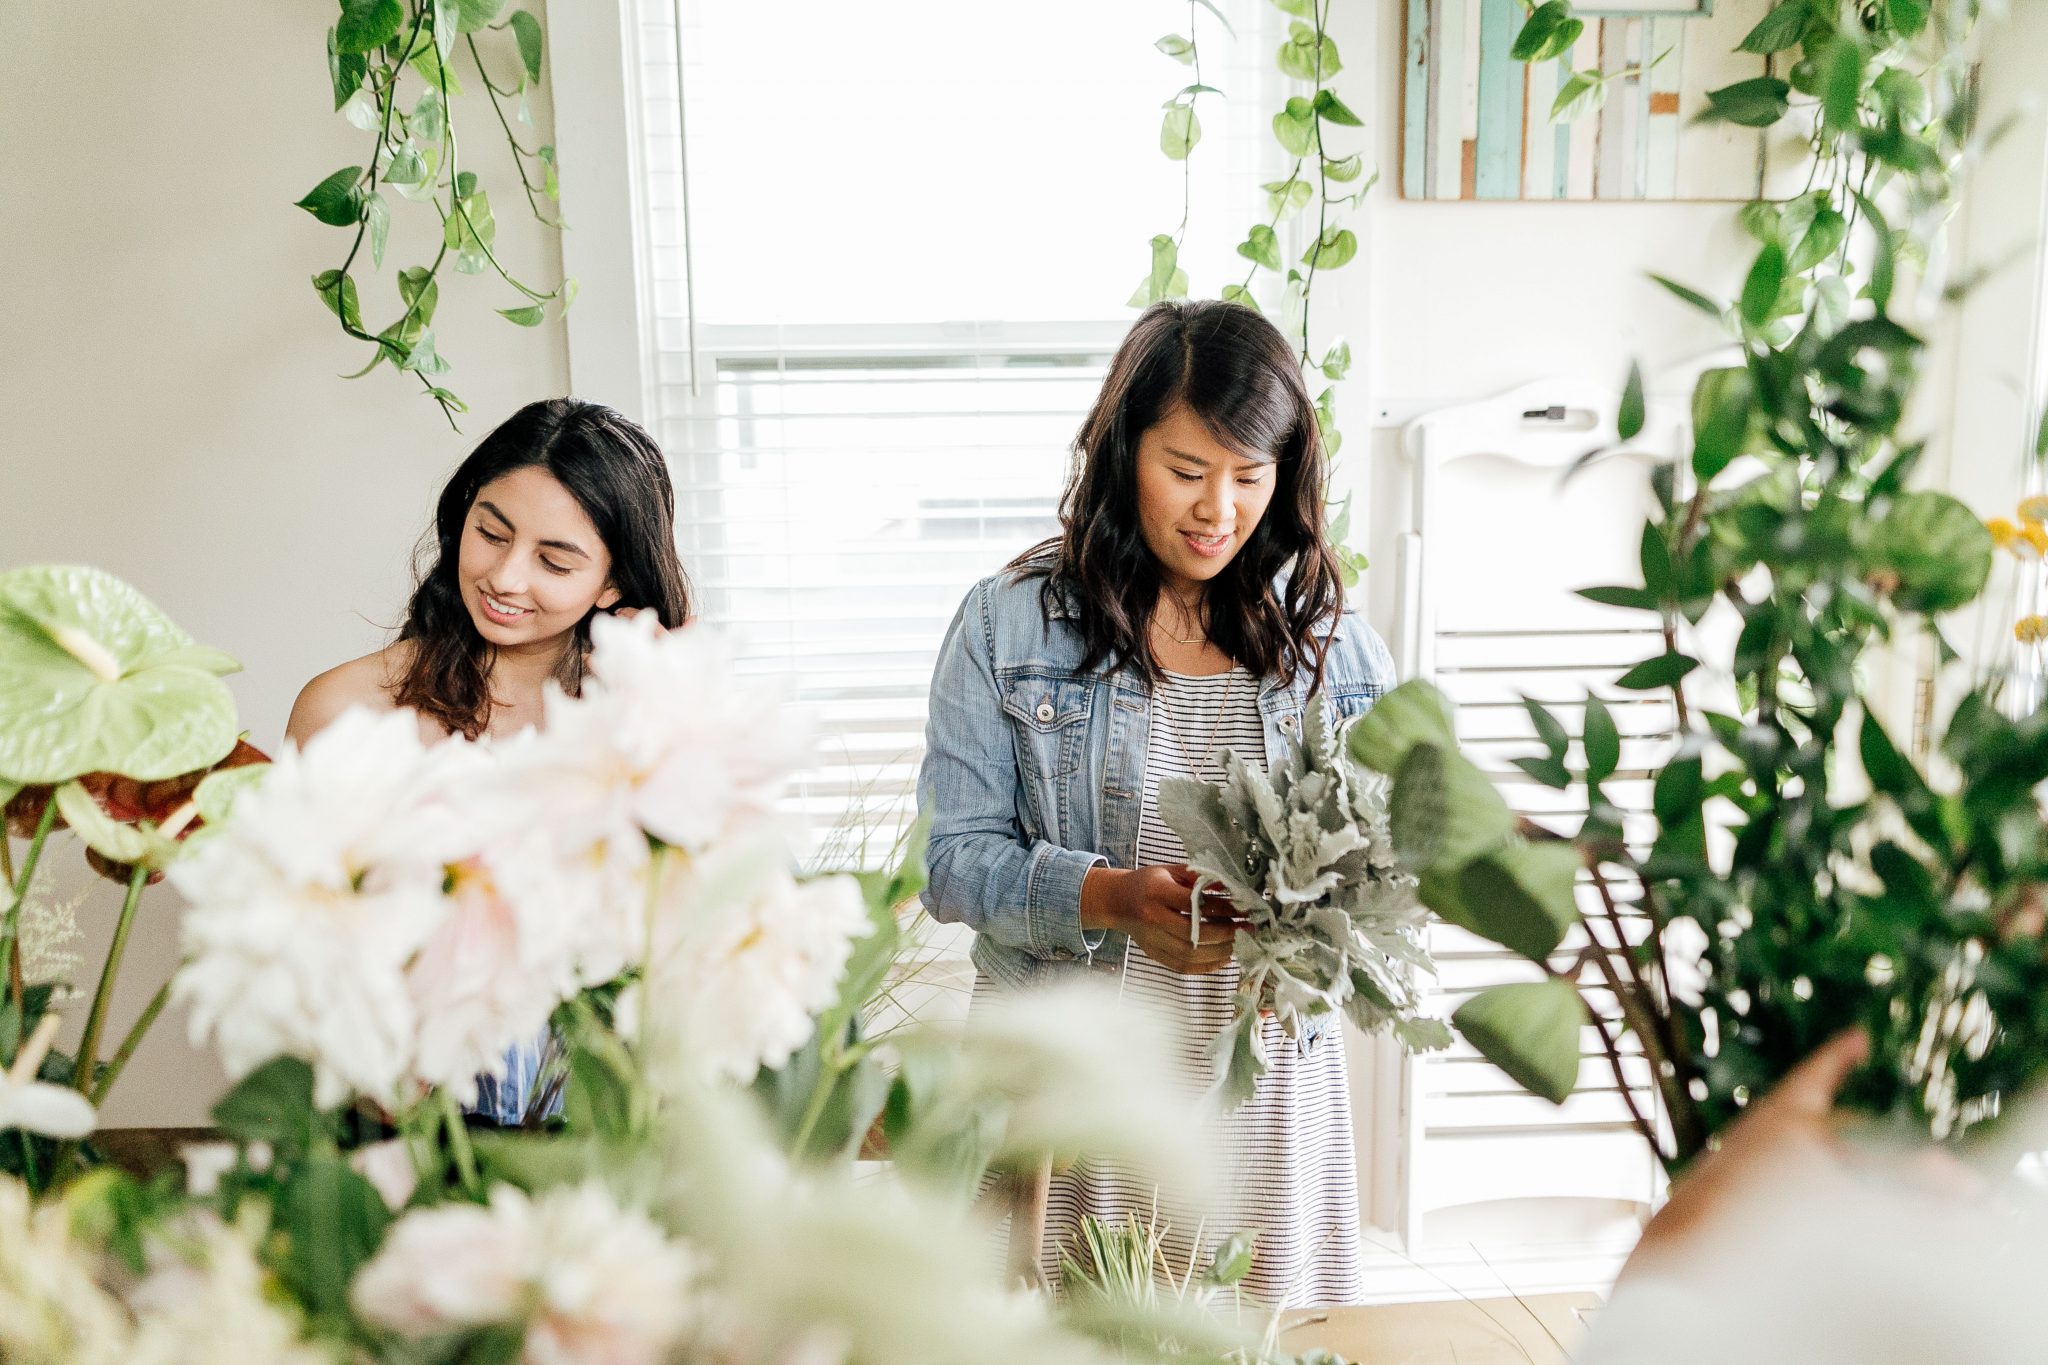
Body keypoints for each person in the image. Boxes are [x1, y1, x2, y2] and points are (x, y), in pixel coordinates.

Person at [917, 299, 1395, 1306]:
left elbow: (1392, 868)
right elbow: (952, 860)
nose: (1216, 508)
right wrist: (1112, 898)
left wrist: (1331, 918)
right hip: (1069, 1090)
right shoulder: (1007, 628)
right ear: (1121, 451)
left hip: (1261, 1100)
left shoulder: (1335, 650)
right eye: (1184, 471)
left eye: (1248, 475)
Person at [285, 396, 692, 1124]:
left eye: (554, 560)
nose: (505, 577)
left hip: (610, 1134)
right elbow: (301, 946)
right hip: (399, 1127)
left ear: (613, 581)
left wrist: (654, 702)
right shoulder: (348, 711)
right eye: (491, 533)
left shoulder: (640, 717)